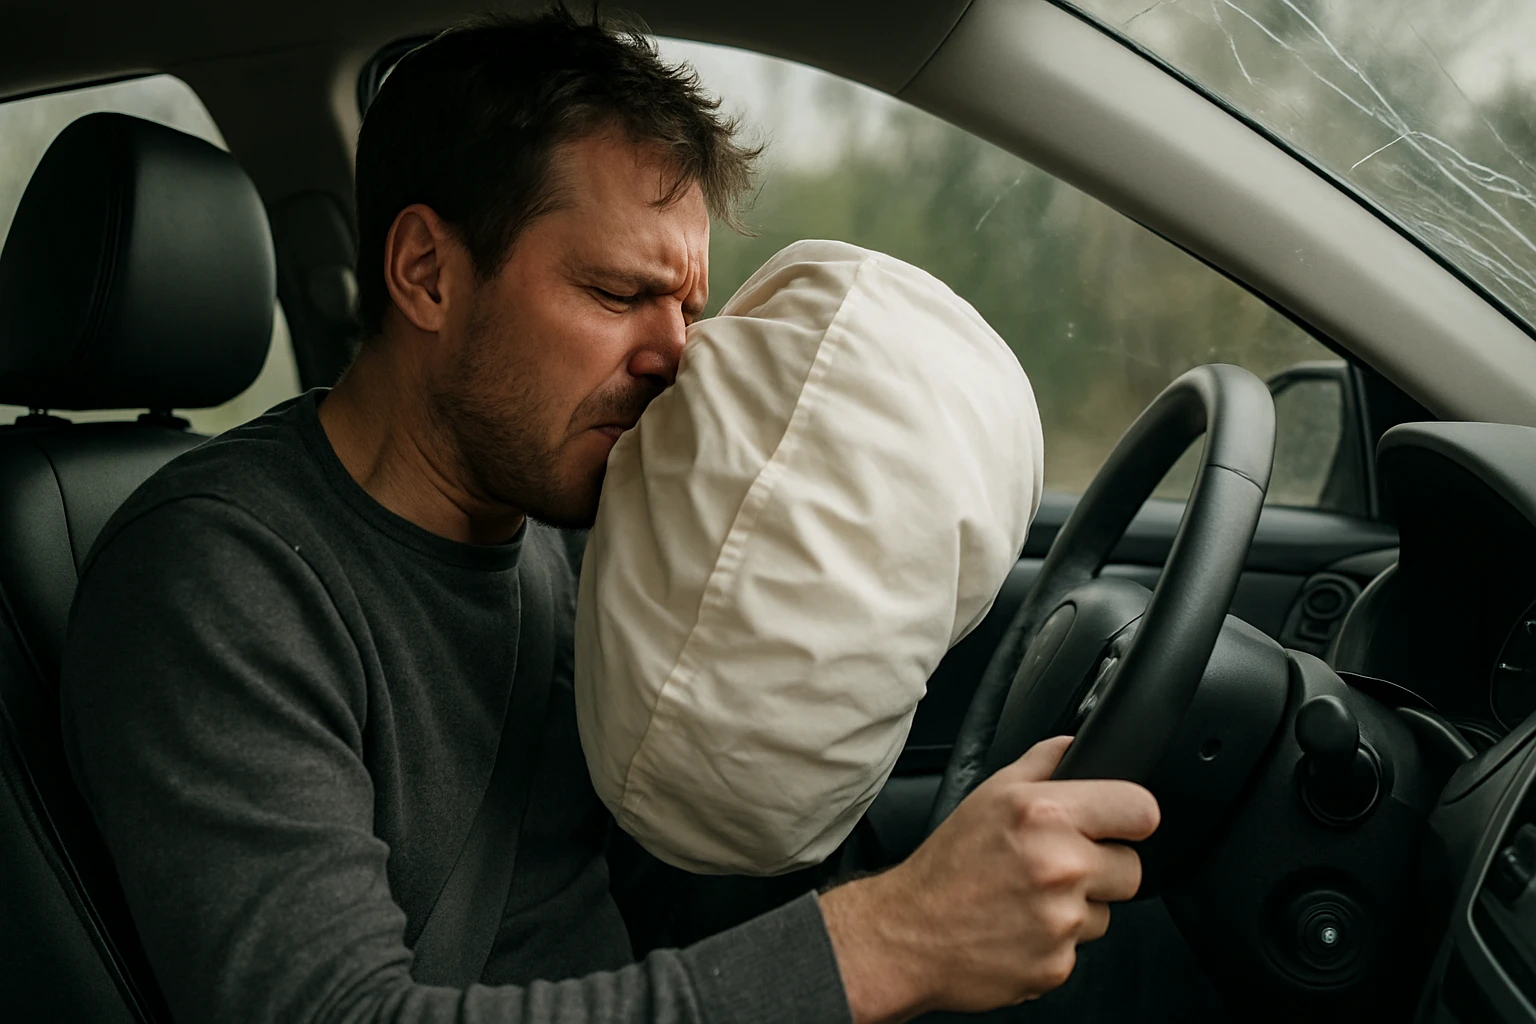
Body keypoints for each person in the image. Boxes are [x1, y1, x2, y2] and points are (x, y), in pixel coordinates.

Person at [59, 9, 1159, 1024]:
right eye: (619, 294)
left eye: (688, 305)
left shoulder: (576, 528)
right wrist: (898, 938)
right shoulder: (218, 580)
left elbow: (672, 902)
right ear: (428, 274)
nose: (678, 355)